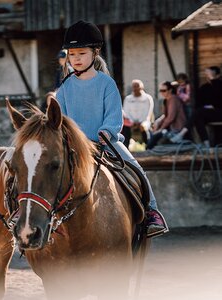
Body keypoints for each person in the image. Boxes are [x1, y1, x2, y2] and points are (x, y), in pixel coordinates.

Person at [56, 20, 168, 238]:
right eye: (72, 54)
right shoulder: (65, 88)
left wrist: (105, 132)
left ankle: (152, 211)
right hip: (73, 145)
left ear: (95, 53)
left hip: (106, 142)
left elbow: (114, 117)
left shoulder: (106, 84)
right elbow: (61, 118)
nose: (76, 59)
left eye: (81, 53)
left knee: (135, 167)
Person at [171, 66, 222, 146]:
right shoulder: (204, 88)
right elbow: (199, 103)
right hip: (206, 113)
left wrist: (214, 106)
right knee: (198, 117)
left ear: (218, 75)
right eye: (207, 74)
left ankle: (181, 134)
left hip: (219, 112)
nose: (208, 76)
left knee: (198, 113)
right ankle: (206, 144)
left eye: (211, 74)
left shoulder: (219, 85)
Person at [146, 81, 187, 149]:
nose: (162, 92)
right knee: (152, 135)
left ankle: (148, 153)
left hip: (176, 129)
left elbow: (171, 117)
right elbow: (165, 115)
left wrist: (161, 129)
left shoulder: (173, 99)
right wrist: (158, 121)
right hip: (170, 128)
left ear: (170, 90)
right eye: (160, 90)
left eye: (164, 90)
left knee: (154, 138)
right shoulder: (167, 100)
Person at [122, 79, 154, 147]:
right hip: (131, 121)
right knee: (125, 126)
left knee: (143, 126)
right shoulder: (128, 99)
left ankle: (148, 146)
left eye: (137, 86)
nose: (136, 88)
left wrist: (139, 123)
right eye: (134, 86)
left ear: (142, 87)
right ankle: (126, 146)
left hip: (144, 121)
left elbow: (148, 113)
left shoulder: (148, 98)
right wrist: (132, 122)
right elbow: (126, 112)